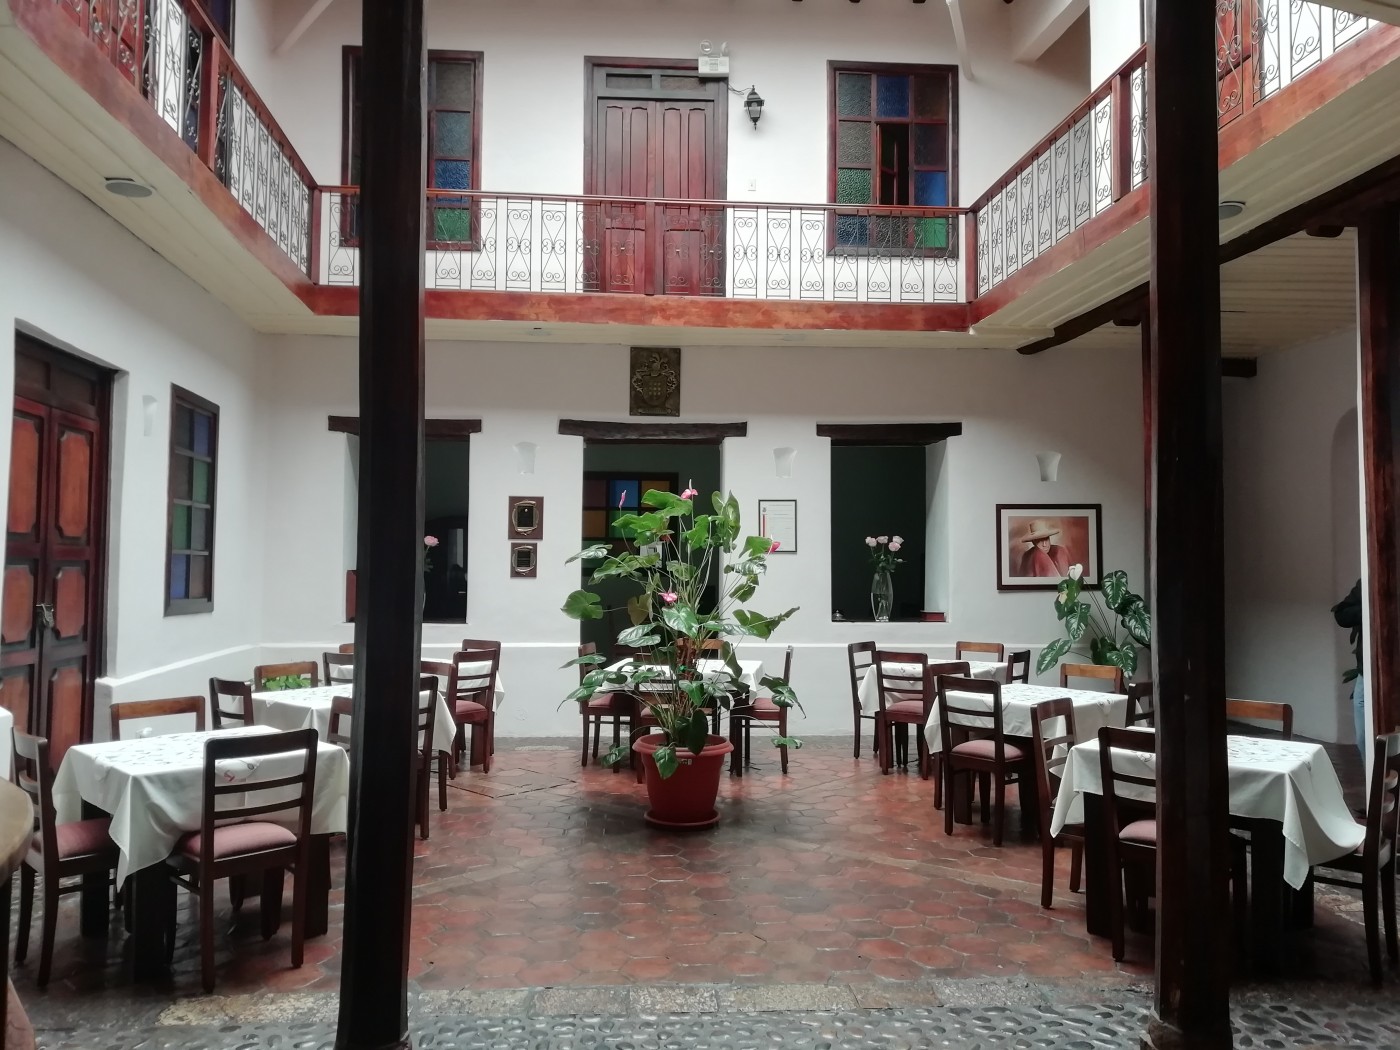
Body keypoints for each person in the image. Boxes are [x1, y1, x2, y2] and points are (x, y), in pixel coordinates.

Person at [1333, 578, 1364, 760]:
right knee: (1364, 737)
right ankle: (1374, 776)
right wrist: (1368, 607)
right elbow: (1341, 614)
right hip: (1367, 672)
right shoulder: (1368, 581)